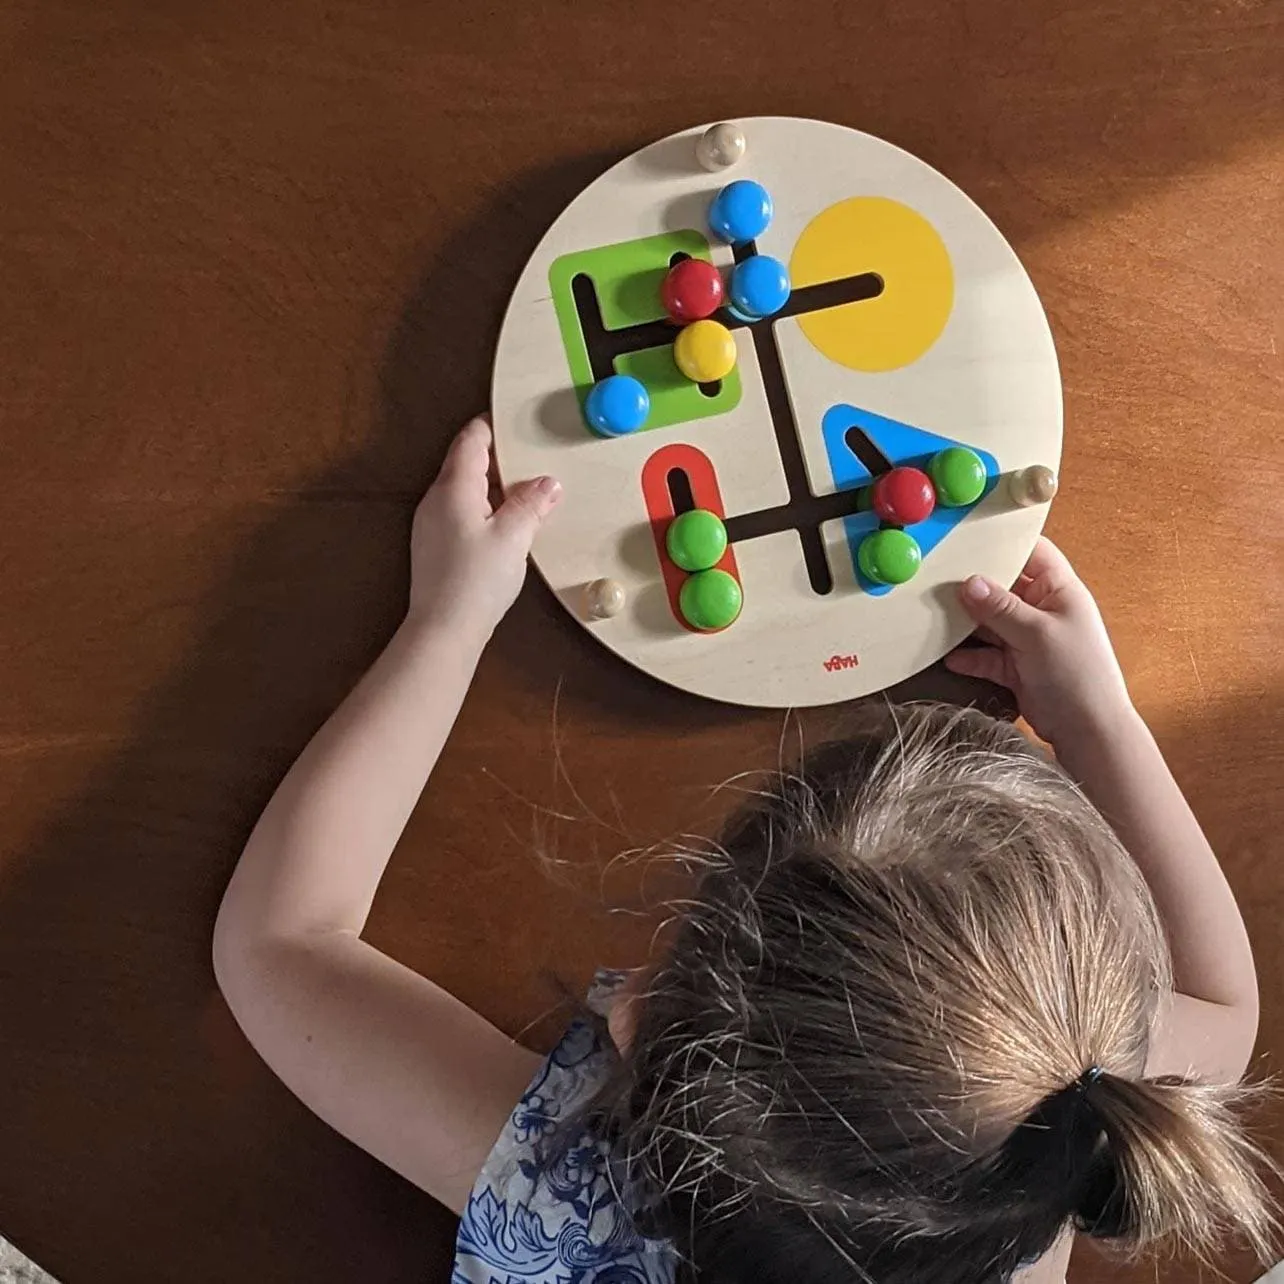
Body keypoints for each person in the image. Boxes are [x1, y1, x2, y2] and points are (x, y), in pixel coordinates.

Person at [213, 416, 1275, 1284]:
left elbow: (280, 943)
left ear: (643, 1015)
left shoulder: (572, 1201)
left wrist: (444, 622)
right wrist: (1103, 721)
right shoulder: (1064, 1106)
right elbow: (1226, 1019)